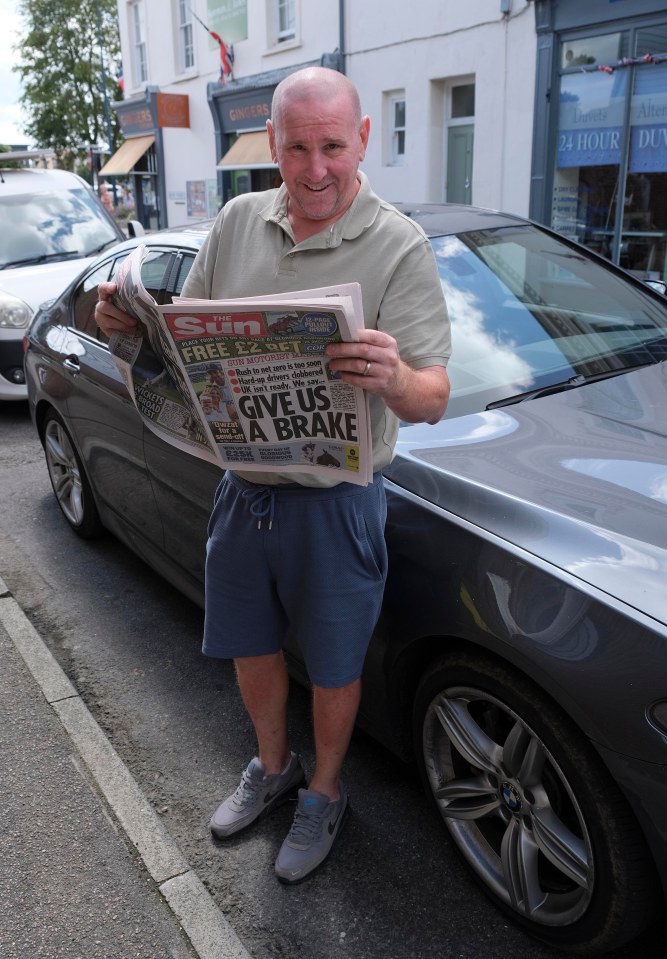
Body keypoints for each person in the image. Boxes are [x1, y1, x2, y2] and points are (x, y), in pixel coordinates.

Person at [95, 66, 451, 884]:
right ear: (273, 146)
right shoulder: (235, 220)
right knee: (250, 647)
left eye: (333, 145)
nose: (316, 167)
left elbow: (430, 394)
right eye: (297, 147)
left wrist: (392, 377)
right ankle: (273, 763)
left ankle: (324, 789)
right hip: (243, 487)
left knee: (332, 662)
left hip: (337, 500)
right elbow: (187, 348)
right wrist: (128, 328)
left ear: (362, 139)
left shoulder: (398, 243)